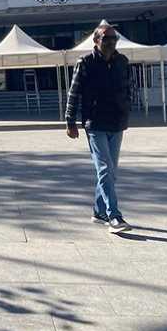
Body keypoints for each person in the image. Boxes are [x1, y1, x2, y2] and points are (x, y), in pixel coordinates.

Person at [66, 23, 132, 234]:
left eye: (114, 39)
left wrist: (126, 110)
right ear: (96, 41)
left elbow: (128, 88)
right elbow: (74, 92)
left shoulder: (122, 61)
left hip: (117, 122)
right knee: (104, 168)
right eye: (107, 39)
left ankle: (98, 211)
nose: (111, 42)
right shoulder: (85, 62)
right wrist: (70, 121)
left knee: (111, 172)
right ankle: (114, 215)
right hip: (95, 123)